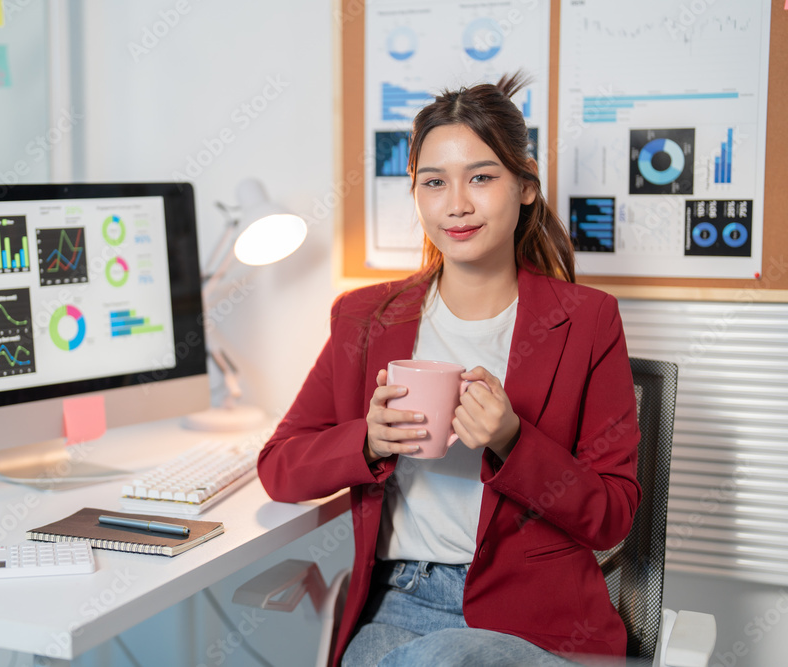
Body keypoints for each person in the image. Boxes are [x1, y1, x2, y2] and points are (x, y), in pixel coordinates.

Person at [257, 72, 641, 667]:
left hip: (539, 619)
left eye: (481, 177)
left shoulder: (587, 320)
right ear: (416, 193)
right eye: (434, 182)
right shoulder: (365, 318)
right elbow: (279, 467)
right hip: (398, 605)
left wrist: (515, 441)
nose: (456, 204)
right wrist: (366, 439)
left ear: (526, 186)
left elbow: (613, 515)